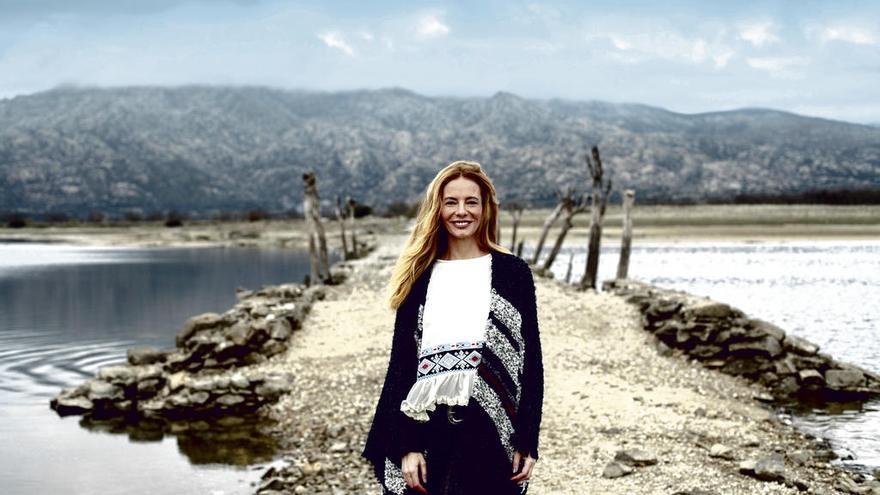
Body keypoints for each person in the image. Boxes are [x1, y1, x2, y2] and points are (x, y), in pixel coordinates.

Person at [361, 160, 544, 494]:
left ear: (486, 208)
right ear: (437, 209)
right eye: (451, 202)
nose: (462, 211)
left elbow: (531, 363)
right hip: (429, 434)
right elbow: (402, 365)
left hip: (492, 432)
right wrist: (407, 445)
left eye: (471, 202)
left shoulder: (513, 273)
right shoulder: (419, 276)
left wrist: (527, 438)